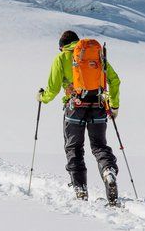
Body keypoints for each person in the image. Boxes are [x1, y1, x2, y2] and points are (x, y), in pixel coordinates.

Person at [36, 30, 121, 204]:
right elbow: (114, 80)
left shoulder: (61, 59)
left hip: (74, 108)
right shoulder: (97, 55)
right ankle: (108, 171)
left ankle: (80, 189)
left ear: (62, 46)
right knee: (99, 146)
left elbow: (52, 90)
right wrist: (114, 106)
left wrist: (41, 98)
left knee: (74, 148)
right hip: (98, 106)